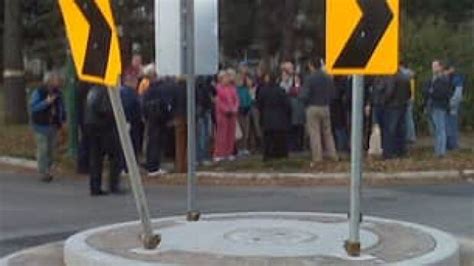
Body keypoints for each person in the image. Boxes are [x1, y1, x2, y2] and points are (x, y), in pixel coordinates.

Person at [84, 86, 123, 196]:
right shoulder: (106, 91)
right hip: (103, 127)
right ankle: (113, 184)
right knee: (115, 156)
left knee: (95, 158)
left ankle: (95, 186)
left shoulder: (92, 90)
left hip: (91, 125)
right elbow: (105, 110)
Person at [300, 58, 338, 165]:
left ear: (311, 66)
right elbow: (333, 93)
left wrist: (303, 101)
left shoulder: (310, 79)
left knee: (314, 133)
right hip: (325, 106)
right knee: (328, 132)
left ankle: (317, 157)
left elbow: (304, 95)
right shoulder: (327, 77)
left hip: (313, 107)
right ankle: (332, 155)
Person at [30, 71, 66, 182]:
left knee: (51, 149)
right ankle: (43, 171)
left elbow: (61, 107)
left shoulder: (58, 93)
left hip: (53, 125)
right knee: (43, 149)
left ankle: (49, 169)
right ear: (49, 81)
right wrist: (46, 102)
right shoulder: (39, 92)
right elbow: (33, 107)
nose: (58, 82)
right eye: (56, 80)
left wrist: (63, 119)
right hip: (41, 125)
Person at [143, 76, 176, 176]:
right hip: (160, 119)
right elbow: (167, 104)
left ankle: (150, 165)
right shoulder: (162, 89)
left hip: (151, 119)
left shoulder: (148, 89)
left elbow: (143, 104)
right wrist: (169, 117)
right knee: (157, 143)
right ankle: (154, 167)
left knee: (151, 142)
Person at [257, 72, 292, 160]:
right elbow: (287, 105)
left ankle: (268, 155)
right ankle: (280, 154)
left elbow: (259, 104)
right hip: (280, 118)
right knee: (280, 139)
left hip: (267, 118)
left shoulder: (263, 91)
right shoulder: (281, 90)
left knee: (268, 139)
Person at [423, 60, 452, 157]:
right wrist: (430, 92)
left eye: (435, 66)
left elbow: (442, 93)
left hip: (439, 106)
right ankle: (437, 149)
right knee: (435, 129)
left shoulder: (444, 79)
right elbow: (426, 90)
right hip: (431, 105)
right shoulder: (432, 79)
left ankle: (441, 151)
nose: (433, 68)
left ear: (440, 67)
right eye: (432, 66)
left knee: (440, 129)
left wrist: (431, 92)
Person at [381, 66, 412, 159]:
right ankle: (401, 151)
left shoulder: (392, 77)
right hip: (402, 105)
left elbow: (389, 92)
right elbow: (409, 93)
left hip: (392, 106)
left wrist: (384, 101)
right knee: (401, 129)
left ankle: (388, 153)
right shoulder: (405, 77)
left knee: (390, 130)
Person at [213, 70, 239, 162]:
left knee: (231, 134)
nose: (227, 79)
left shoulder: (232, 88)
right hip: (222, 115)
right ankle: (219, 153)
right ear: (220, 79)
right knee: (221, 134)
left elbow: (236, 99)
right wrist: (226, 110)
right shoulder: (218, 89)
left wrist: (234, 108)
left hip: (232, 114)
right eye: (225, 77)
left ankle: (229, 152)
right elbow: (218, 102)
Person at [120, 74, 143, 158]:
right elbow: (136, 107)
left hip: (123, 121)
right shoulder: (132, 93)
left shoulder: (120, 91)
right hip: (132, 122)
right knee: (132, 145)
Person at [445, 63, 464, 151]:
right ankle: (450, 144)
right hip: (447, 104)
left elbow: (458, 95)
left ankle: (453, 144)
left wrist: (451, 104)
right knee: (448, 125)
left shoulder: (456, 79)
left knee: (451, 124)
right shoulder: (450, 78)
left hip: (452, 106)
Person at [196, 75, 214, 165]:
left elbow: (214, 92)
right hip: (200, 111)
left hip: (206, 109)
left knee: (206, 135)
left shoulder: (207, 83)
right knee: (201, 136)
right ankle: (200, 157)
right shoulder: (198, 83)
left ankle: (204, 157)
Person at [288, 74, 306, 152]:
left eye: (297, 78)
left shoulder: (303, 88)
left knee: (301, 130)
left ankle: (300, 146)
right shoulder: (291, 89)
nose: (296, 80)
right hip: (294, 110)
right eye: (295, 79)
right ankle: (294, 146)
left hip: (301, 110)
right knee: (294, 130)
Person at [236, 75, 253, 156]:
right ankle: (239, 148)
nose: (241, 82)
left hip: (246, 111)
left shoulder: (245, 89)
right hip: (239, 111)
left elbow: (249, 99)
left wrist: (248, 106)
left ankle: (244, 147)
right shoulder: (236, 90)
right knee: (240, 131)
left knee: (246, 130)